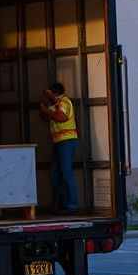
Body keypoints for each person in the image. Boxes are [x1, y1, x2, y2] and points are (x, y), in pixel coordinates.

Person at [40, 82, 80, 214]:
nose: (46, 95)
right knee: (55, 174)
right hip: (58, 142)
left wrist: (47, 110)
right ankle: (60, 204)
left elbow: (61, 117)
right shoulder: (55, 104)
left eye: (48, 93)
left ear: (54, 92)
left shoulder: (64, 102)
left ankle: (72, 205)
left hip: (67, 141)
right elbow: (45, 117)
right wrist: (45, 106)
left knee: (66, 172)